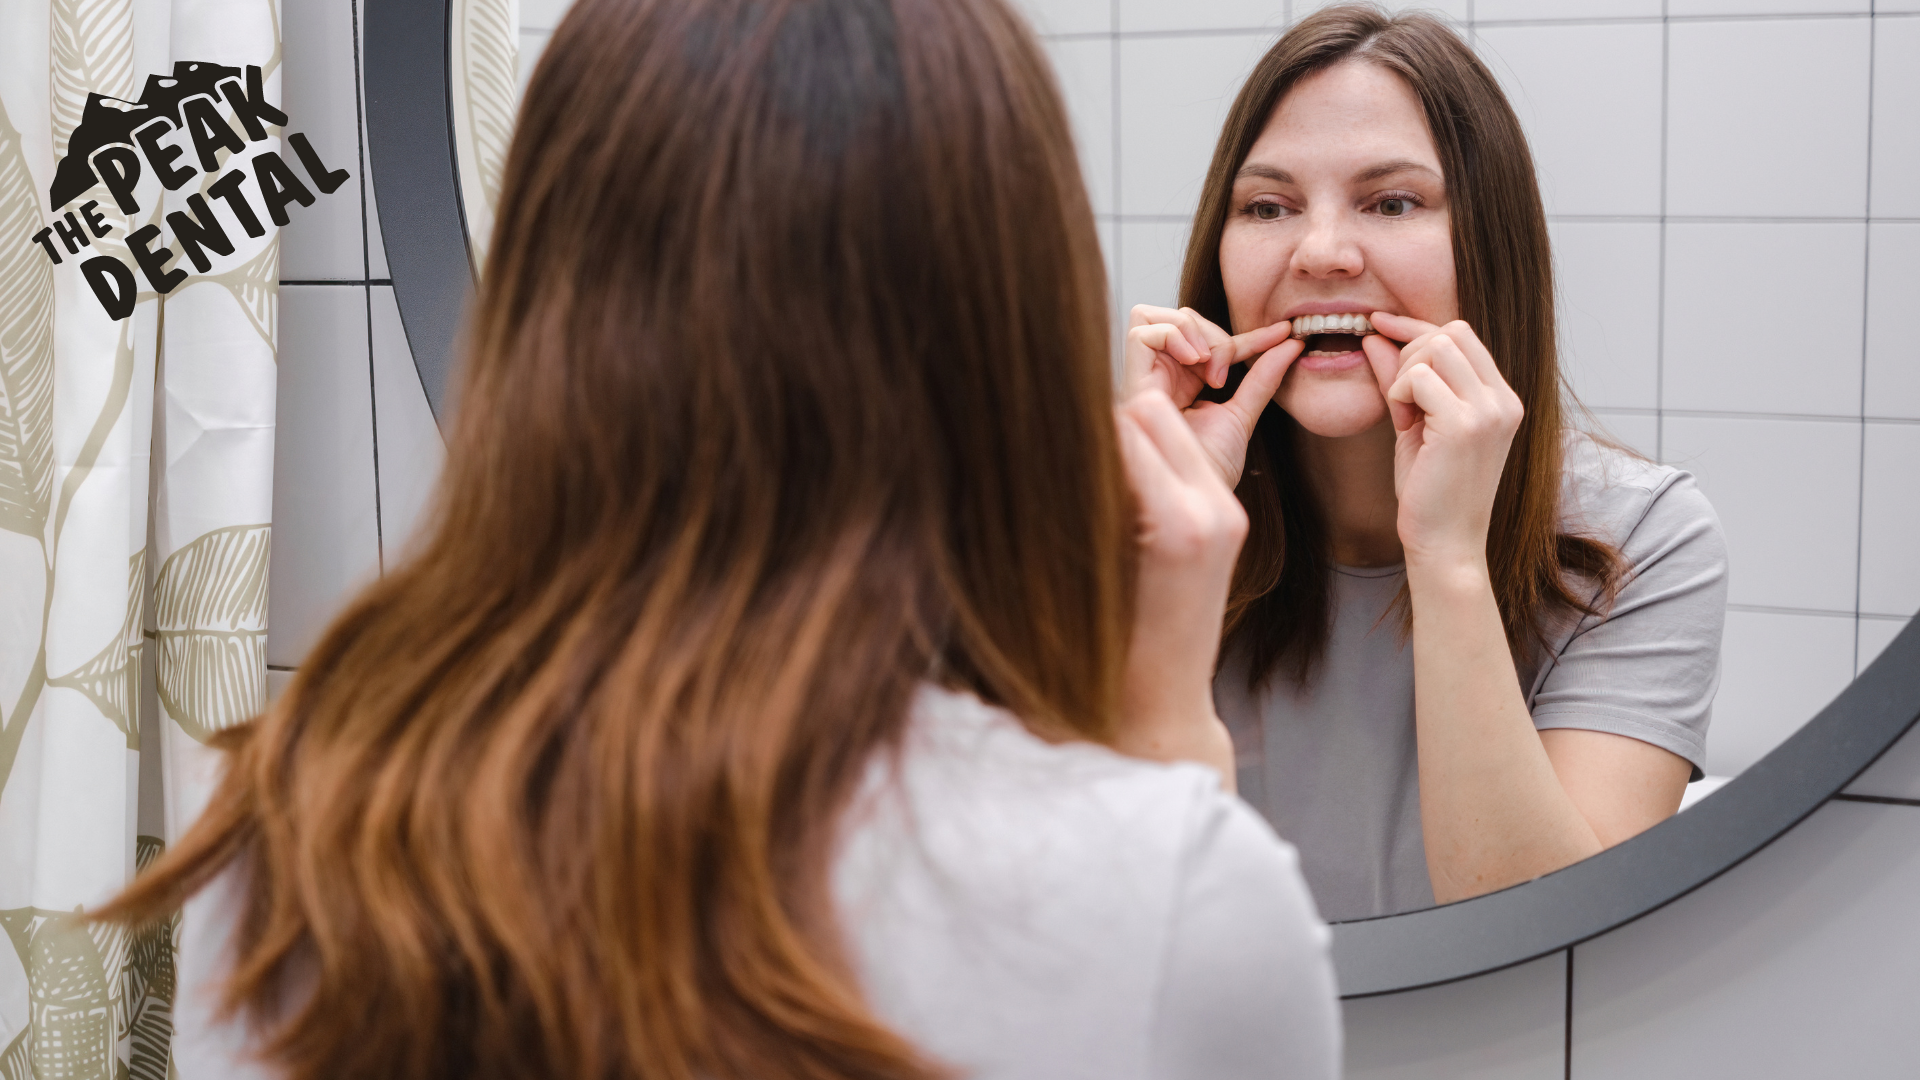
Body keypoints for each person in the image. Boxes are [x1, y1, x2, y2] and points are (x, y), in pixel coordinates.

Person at [101, 0, 1341, 1077]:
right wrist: (1167, 746)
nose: (1325, 255)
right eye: (1273, 205)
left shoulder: (288, 830)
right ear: (1013, 344)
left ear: (543, 305)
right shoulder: (1172, 899)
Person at [1125, 4, 1727, 921]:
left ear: (1489, 245)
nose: (1321, 253)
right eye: (1268, 207)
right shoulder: (1141, 513)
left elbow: (1556, 945)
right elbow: (1043, 889)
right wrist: (1135, 550)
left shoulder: (1645, 538)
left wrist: (1445, 555)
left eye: (1392, 201)